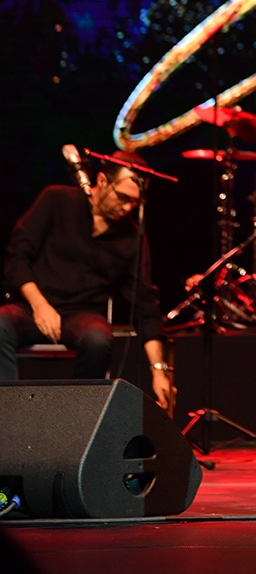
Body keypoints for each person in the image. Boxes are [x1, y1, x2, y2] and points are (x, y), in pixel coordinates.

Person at [0, 152, 172, 409]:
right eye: (122, 197)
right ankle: (8, 414)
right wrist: (40, 305)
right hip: (32, 306)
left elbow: (146, 305)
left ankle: (76, 418)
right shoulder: (56, 200)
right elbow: (17, 257)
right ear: (101, 181)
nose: (127, 208)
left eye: (134, 202)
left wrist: (158, 370)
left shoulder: (132, 238)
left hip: (82, 315)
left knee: (98, 339)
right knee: (1, 324)